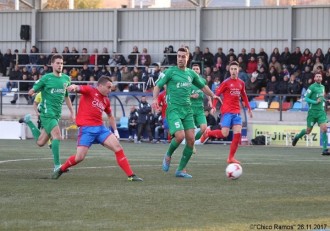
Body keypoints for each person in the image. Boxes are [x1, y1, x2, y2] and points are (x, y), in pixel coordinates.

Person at [52, 76, 143, 181]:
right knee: (79, 157)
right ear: (100, 85)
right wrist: (73, 87)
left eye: (111, 88)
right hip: (86, 130)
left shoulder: (106, 100)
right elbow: (78, 88)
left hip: (100, 129)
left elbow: (110, 116)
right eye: (108, 87)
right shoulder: (90, 90)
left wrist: (116, 131)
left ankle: (131, 175)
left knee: (118, 148)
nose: (110, 90)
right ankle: (61, 169)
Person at [153, 47, 217, 178]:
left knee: (191, 140)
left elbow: (203, 87)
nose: (180, 59)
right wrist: (154, 99)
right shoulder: (170, 72)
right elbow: (158, 86)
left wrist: (213, 95)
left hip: (187, 110)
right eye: (179, 56)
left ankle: (180, 170)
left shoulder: (191, 74)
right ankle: (168, 155)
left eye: (183, 56)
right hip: (174, 110)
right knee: (180, 136)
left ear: (187, 58)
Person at [19, 54, 75, 173]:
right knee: (57, 136)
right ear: (52, 64)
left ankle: (28, 121)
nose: (60, 65)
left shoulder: (66, 79)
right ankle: (57, 166)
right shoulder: (46, 78)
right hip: (46, 112)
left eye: (61, 63)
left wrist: (72, 111)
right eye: (57, 63)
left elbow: (66, 96)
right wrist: (32, 91)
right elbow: (35, 87)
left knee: (40, 142)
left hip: (56, 114)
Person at [200, 61, 253, 164]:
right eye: (232, 69)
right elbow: (217, 94)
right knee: (224, 134)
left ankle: (231, 158)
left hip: (237, 112)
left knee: (238, 134)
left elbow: (244, 96)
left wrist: (249, 109)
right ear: (229, 70)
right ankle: (208, 133)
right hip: (227, 112)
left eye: (235, 69)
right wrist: (214, 106)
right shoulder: (226, 82)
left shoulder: (241, 83)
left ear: (238, 70)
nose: (233, 71)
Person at [292, 73, 330, 156]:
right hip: (312, 113)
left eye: (320, 76)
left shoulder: (323, 87)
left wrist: (326, 100)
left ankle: (325, 150)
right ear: (314, 78)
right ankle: (297, 137)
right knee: (308, 131)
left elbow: (321, 97)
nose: (319, 78)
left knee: (324, 129)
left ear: (322, 78)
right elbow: (306, 98)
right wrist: (315, 102)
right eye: (317, 76)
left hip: (321, 112)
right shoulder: (312, 87)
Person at [191, 64, 211, 143]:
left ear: (199, 70)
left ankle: (194, 140)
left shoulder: (202, 80)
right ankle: (190, 143)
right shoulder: (187, 81)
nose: (195, 70)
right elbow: (182, 94)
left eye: (197, 69)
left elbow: (206, 90)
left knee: (203, 128)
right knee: (190, 130)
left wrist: (210, 100)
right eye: (194, 69)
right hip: (190, 109)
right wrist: (191, 96)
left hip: (200, 108)